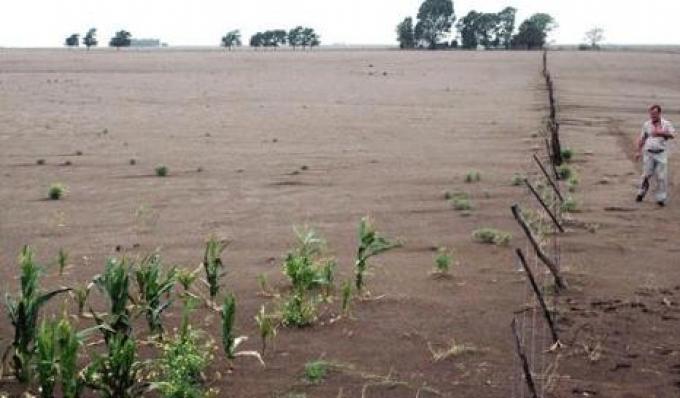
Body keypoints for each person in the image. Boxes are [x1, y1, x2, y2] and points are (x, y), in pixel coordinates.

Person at [635, 104, 676, 205]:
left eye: (655, 114)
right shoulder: (646, 124)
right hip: (649, 153)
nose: (653, 116)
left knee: (661, 177)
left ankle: (661, 198)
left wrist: (661, 133)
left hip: (661, 153)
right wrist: (638, 151)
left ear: (659, 113)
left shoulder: (666, 124)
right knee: (646, 175)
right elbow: (642, 138)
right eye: (651, 114)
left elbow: (672, 135)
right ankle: (641, 193)